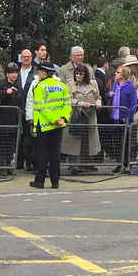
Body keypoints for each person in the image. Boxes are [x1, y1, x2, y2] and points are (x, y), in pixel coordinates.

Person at [29, 60, 70, 189]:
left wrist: (52, 119)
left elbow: (40, 107)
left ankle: (39, 181)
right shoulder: (62, 86)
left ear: (42, 72)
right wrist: (63, 119)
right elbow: (67, 105)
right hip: (59, 125)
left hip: (45, 125)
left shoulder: (40, 86)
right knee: (55, 154)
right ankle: (55, 182)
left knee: (43, 154)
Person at [65, 64, 100, 171]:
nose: (78, 76)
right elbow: (68, 99)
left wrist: (98, 102)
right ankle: (74, 165)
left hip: (90, 116)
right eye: (77, 73)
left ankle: (87, 164)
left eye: (81, 74)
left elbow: (98, 96)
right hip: (76, 115)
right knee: (74, 140)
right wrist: (80, 103)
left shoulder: (93, 83)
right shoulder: (70, 84)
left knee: (88, 140)